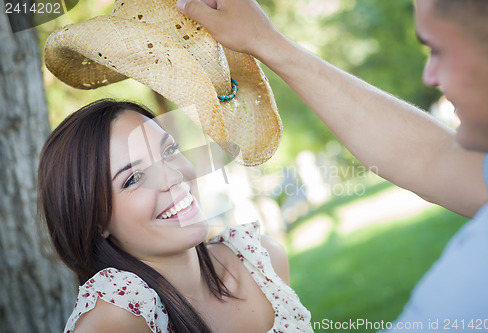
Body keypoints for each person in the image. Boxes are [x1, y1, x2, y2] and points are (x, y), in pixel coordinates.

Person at [176, 0, 488, 330]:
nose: (430, 76)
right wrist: (266, 42)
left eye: (438, 49)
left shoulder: (483, 272)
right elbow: (429, 158)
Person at [37, 99, 313, 332]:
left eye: (169, 151)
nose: (173, 175)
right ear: (96, 222)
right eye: (133, 178)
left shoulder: (261, 260)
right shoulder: (120, 315)